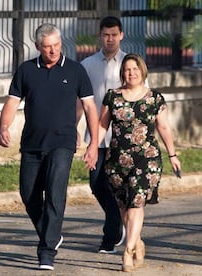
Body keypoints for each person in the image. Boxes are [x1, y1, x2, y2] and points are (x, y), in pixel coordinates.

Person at [0, 23, 99, 270]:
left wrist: (93, 143)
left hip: (63, 142)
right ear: (37, 47)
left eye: (56, 45)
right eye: (47, 47)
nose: (53, 50)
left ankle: (46, 250)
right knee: (28, 194)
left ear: (61, 43)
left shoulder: (76, 71)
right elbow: (12, 102)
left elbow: (89, 108)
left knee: (55, 193)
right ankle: (50, 232)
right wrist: (3, 127)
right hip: (32, 143)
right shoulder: (26, 70)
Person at [98, 53, 181, 272]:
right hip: (116, 160)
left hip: (147, 159)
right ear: (122, 73)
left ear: (142, 71)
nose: (131, 73)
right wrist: (91, 149)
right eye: (127, 69)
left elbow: (164, 128)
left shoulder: (154, 98)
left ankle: (127, 250)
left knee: (136, 202)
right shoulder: (112, 97)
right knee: (124, 207)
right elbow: (102, 126)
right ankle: (138, 242)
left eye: (135, 69)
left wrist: (173, 155)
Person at [76, 16, 127, 254]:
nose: (110, 39)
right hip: (96, 136)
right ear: (100, 36)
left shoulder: (129, 64)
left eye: (114, 34)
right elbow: (80, 102)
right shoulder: (87, 65)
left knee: (118, 186)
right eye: (106, 35)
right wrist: (75, 129)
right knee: (96, 183)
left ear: (121, 35)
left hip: (122, 137)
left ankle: (111, 236)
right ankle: (117, 220)